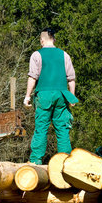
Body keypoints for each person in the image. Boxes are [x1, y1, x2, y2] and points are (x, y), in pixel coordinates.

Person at [23, 28, 78, 165]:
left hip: (44, 95)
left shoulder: (36, 55)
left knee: (41, 129)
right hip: (61, 95)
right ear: (54, 39)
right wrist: (72, 98)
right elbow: (71, 79)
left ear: (42, 40)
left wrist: (27, 96)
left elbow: (32, 77)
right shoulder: (64, 55)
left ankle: (36, 161)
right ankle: (66, 162)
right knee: (62, 130)